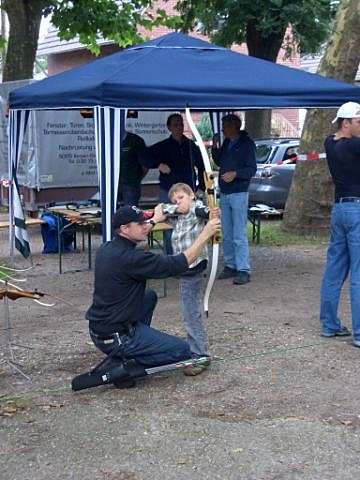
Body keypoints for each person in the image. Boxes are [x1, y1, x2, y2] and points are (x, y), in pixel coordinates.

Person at [85, 204, 221, 385]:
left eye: (144, 222)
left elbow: (144, 226)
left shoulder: (107, 248)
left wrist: (155, 219)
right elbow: (179, 263)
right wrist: (205, 234)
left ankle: (128, 351)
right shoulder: (132, 259)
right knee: (181, 351)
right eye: (139, 223)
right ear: (125, 229)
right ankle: (124, 365)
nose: (145, 226)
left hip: (100, 329)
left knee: (148, 296)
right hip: (116, 336)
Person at [163, 182, 220, 375]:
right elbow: (161, 209)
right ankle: (197, 351)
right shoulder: (178, 215)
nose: (178, 202)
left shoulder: (196, 210)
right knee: (189, 310)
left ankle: (200, 355)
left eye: (181, 197)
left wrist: (212, 214)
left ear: (191, 196)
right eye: (175, 200)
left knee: (191, 313)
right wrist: (175, 207)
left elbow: (205, 211)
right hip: (185, 268)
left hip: (193, 268)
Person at [319, 101, 360, 347]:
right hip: (356, 209)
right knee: (358, 273)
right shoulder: (355, 145)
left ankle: (329, 324)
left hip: (340, 210)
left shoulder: (329, 142)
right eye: (358, 121)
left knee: (334, 269)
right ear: (346, 123)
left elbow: (335, 138)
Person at [142, 113, 206, 253]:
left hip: (188, 191)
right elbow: (144, 157)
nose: (179, 128)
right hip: (169, 191)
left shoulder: (191, 146)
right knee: (169, 225)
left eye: (181, 124)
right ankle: (171, 258)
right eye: (176, 125)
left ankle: (188, 257)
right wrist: (158, 164)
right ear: (169, 127)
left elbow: (201, 167)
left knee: (191, 224)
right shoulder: (163, 146)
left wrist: (201, 187)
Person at [212, 114, 257, 285]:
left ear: (234, 126)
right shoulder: (227, 143)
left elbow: (252, 169)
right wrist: (215, 145)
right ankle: (231, 264)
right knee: (227, 232)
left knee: (239, 233)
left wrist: (236, 174)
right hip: (225, 192)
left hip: (239, 192)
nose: (223, 129)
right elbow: (219, 160)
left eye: (225, 126)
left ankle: (243, 269)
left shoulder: (246, 144)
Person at [117, 131, 148, 206]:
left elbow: (145, 165)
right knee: (112, 214)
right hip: (111, 185)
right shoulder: (107, 139)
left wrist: (135, 180)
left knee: (130, 213)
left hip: (131, 185)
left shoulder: (136, 140)